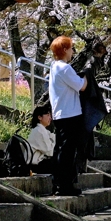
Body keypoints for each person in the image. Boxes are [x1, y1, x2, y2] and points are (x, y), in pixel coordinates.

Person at [48, 36, 86, 196]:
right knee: (68, 152)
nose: (72, 52)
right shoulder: (65, 68)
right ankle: (64, 185)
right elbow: (81, 86)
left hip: (60, 114)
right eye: (71, 48)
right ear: (64, 50)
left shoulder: (54, 67)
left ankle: (58, 183)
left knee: (61, 150)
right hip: (70, 114)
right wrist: (87, 77)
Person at [28, 103, 56, 175]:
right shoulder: (39, 131)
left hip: (40, 163)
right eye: (47, 115)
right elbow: (50, 152)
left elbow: (54, 138)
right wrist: (53, 143)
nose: (50, 118)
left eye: (50, 115)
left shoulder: (43, 130)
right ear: (40, 117)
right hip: (36, 165)